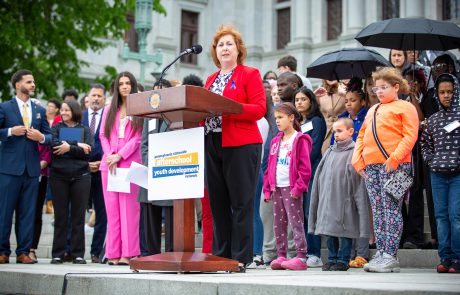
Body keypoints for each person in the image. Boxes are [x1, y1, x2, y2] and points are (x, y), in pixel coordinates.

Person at [204, 25, 266, 272]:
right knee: (217, 203)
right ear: (215, 52)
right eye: (220, 45)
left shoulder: (249, 73)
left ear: (238, 49)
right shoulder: (210, 79)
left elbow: (259, 109)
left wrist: (229, 108)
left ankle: (241, 257)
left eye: (229, 44)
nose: (225, 48)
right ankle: (222, 255)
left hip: (241, 144)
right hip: (212, 142)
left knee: (241, 203)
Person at [352, 67, 419, 273]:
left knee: (391, 210)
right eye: (376, 88)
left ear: (396, 87)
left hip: (395, 166)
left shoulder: (405, 107)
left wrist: (394, 159)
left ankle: (390, 255)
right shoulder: (373, 109)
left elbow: (410, 135)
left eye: (384, 87)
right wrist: (357, 160)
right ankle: (381, 253)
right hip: (371, 166)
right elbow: (362, 135)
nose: (379, 91)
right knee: (378, 210)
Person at [0, 69, 51, 264]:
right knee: (4, 211)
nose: (33, 85)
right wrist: (10, 131)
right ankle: (2, 251)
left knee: (28, 213)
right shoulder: (4, 108)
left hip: (31, 169)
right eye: (29, 82)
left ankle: (23, 252)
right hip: (8, 169)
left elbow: (50, 137)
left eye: (33, 82)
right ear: (17, 84)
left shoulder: (39, 110)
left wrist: (41, 137)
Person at [309, 118, 369, 271]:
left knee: (344, 231)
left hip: (344, 200)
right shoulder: (330, 151)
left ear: (351, 131)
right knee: (329, 232)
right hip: (328, 200)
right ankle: (332, 258)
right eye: (334, 131)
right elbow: (320, 176)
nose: (336, 134)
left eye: (340, 131)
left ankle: (343, 259)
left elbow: (357, 181)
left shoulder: (354, 152)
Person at [99, 71, 143, 265]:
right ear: (117, 87)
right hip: (109, 165)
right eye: (121, 84)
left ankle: (129, 252)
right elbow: (103, 135)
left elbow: (138, 138)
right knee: (112, 211)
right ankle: (113, 253)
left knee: (129, 211)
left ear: (133, 86)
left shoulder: (139, 109)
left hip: (129, 163)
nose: (125, 86)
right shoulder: (109, 109)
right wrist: (110, 156)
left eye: (128, 83)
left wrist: (120, 155)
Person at [263, 103, 312, 270]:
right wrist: (268, 188)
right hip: (277, 187)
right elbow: (270, 166)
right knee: (279, 223)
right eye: (275, 118)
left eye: (281, 117)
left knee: (295, 222)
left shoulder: (300, 139)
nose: (277, 121)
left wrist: (298, 188)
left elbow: (305, 168)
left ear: (291, 118)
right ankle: (281, 255)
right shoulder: (276, 140)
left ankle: (301, 256)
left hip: (291, 189)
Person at [421, 73, 460, 273]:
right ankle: (445, 258)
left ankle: (458, 258)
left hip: (457, 176)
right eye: (442, 92)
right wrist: (432, 161)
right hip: (437, 174)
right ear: (436, 94)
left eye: (450, 92)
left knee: (456, 216)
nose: (446, 96)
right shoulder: (433, 120)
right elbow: (425, 144)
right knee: (441, 217)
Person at [49, 100, 93, 264]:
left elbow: (89, 151)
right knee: (60, 217)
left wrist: (68, 148)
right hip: (59, 176)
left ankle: (78, 254)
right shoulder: (56, 128)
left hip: (81, 177)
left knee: (78, 217)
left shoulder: (85, 130)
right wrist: (77, 146)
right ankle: (58, 254)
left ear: (74, 110)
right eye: (62, 110)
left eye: (67, 110)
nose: (63, 112)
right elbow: (53, 145)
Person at [137, 79, 174, 256]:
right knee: (149, 209)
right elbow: (144, 144)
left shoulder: (177, 115)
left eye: (162, 92)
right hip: (151, 170)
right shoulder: (149, 117)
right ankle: (150, 254)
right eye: (155, 93)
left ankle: (171, 253)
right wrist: (149, 164)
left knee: (172, 212)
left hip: (170, 170)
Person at [293, 86, 326, 268]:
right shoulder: (296, 123)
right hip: (296, 174)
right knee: (299, 214)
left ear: (311, 101)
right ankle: (303, 253)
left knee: (310, 213)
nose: (299, 102)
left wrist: (300, 165)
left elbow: (314, 149)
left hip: (311, 171)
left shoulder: (317, 121)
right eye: (297, 100)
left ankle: (315, 253)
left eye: (303, 99)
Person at [82, 84, 107, 263]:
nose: (96, 98)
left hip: (102, 170)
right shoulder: (80, 117)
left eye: (99, 96)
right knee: (75, 212)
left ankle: (96, 252)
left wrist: (102, 162)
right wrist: (85, 164)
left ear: (104, 99)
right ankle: (72, 250)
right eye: (94, 96)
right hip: (81, 171)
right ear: (88, 98)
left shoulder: (108, 117)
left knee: (102, 213)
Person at [314, 79, 346, 154]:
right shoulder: (320, 92)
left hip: (343, 131)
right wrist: (313, 95)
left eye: (334, 73)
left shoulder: (346, 90)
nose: (331, 77)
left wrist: (345, 93)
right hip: (326, 133)